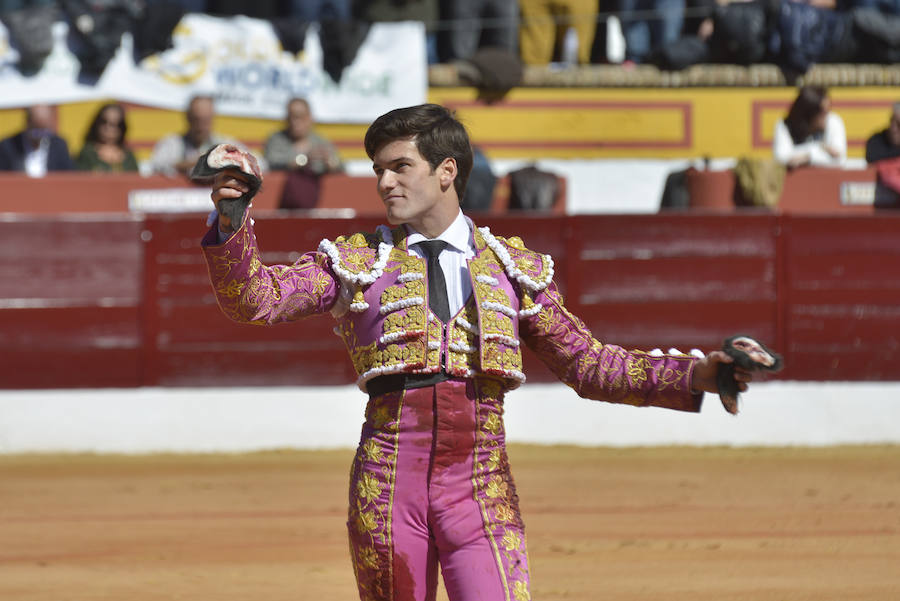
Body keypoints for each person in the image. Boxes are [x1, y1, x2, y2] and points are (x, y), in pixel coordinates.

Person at [200, 103, 754, 601]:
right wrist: (232, 219)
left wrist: (698, 373)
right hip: (387, 487)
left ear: (447, 172)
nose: (385, 183)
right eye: (378, 171)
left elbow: (589, 365)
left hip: (480, 489)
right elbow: (257, 299)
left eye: (400, 166)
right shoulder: (355, 261)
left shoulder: (514, 269)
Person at [264, 97, 343, 209]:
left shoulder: (321, 142)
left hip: (317, 204)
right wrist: (304, 159)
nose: (296, 122)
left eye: (301, 117)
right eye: (292, 117)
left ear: (310, 118)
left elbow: (340, 166)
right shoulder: (277, 140)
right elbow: (272, 163)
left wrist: (329, 162)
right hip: (284, 204)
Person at [147, 94, 234, 176]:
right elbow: (155, 167)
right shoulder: (172, 144)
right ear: (188, 117)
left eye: (206, 120)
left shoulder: (225, 144)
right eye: (197, 119)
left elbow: (245, 163)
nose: (201, 126)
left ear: (213, 118)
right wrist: (189, 164)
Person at [773, 85, 847, 168]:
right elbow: (781, 159)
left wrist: (809, 157)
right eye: (822, 112)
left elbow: (840, 159)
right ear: (808, 114)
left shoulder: (833, 121)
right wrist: (820, 149)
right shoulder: (785, 125)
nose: (826, 116)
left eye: (828, 110)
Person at [0, 104, 75, 176]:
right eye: (37, 131)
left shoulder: (59, 146)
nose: (40, 135)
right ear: (27, 123)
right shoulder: (9, 146)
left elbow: (69, 176)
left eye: (44, 131)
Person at [74, 103, 139, 173]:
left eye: (115, 124)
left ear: (122, 127)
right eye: (104, 122)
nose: (109, 128)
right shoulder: (87, 153)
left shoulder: (129, 156)